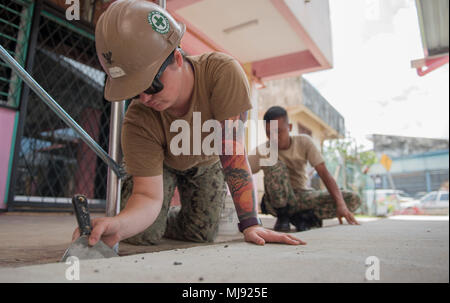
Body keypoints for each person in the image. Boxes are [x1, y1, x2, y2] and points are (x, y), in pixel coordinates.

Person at [72, 0, 305, 248]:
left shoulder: (222, 74)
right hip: (163, 164)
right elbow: (147, 195)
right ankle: (155, 222)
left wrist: (251, 223)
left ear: (177, 58)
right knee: (142, 234)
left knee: (201, 234)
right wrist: (119, 224)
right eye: (134, 91)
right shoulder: (139, 118)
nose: (145, 98)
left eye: (151, 85)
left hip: (207, 162)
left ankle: (167, 219)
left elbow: (232, 151)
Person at [247, 106, 361, 232]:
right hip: (275, 203)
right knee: (273, 164)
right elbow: (240, 171)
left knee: (352, 199)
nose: (274, 137)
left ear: (289, 128)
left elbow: (323, 172)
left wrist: (341, 204)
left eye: (278, 131)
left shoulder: (304, 142)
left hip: (302, 197)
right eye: (269, 133)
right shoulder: (263, 151)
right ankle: (285, 217)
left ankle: (302, 217)